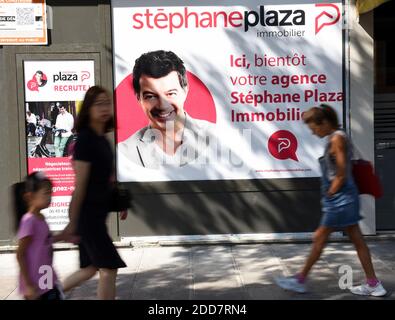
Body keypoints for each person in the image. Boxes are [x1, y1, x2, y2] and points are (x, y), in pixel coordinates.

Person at [275, 104, 387, 297]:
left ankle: (299, 280)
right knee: (357, 240)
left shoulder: (337, 139)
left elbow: (341, 174)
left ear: (324, 122)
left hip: (340, 200)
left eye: (314, 128)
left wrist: (330, 194)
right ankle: (373, 283)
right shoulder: (338, 136)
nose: (313, 132)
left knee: (319, 238)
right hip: (345, 198)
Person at [61, 86, 126, 300]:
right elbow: (80, 185)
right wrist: (73, 220)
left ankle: (48, 295)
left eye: (107, 103)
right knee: (108, 267)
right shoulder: (86, 141)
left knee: (90, 268)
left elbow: (106, 178)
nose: (105, 108)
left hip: (98, 214)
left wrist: (119, 200)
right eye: (98, 104)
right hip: (88, 217)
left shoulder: (102, 140)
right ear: (88, 109)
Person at [118, 50, 216, 170]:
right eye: (151, 96)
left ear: (185, 90)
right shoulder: (124, 150)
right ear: (139, 98)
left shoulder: (215, 135)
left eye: (170, 93)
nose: (162, 106)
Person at [13, 172, 65, 300]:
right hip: (34, 285)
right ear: (30, 196)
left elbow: (45, 241)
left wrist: (64, 236)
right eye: (46, 192)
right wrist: (28, 284)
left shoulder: (41, 218)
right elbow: (20, 254)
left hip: (46, 277)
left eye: (51, 192)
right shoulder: (29, 221)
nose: (50, 196)